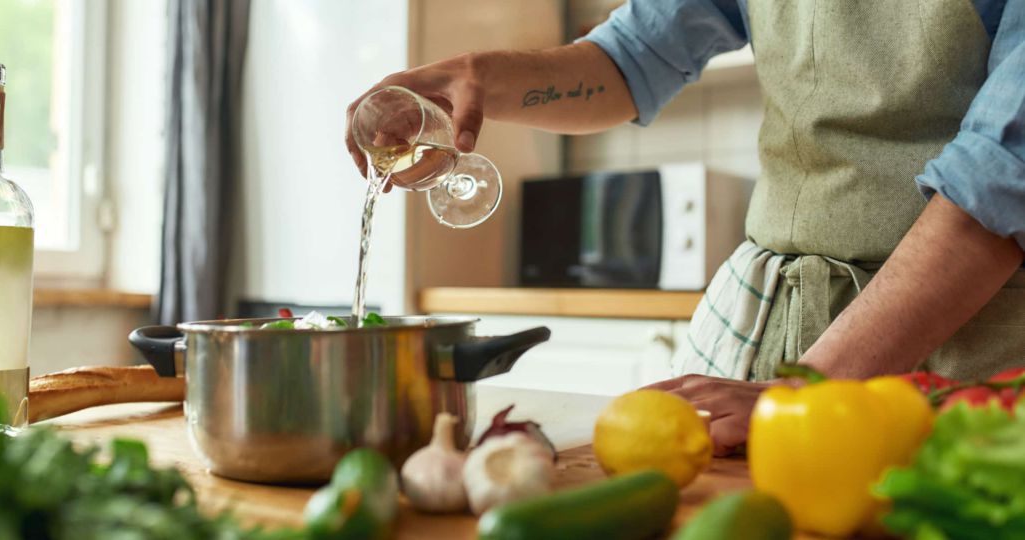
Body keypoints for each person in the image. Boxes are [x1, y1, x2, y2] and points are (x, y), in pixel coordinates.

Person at [346, 0, 1025, 455]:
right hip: (779, 340)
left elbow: (1001, 176)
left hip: (955, 351)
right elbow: (633, 55)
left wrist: (803, 392)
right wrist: (476, 79)